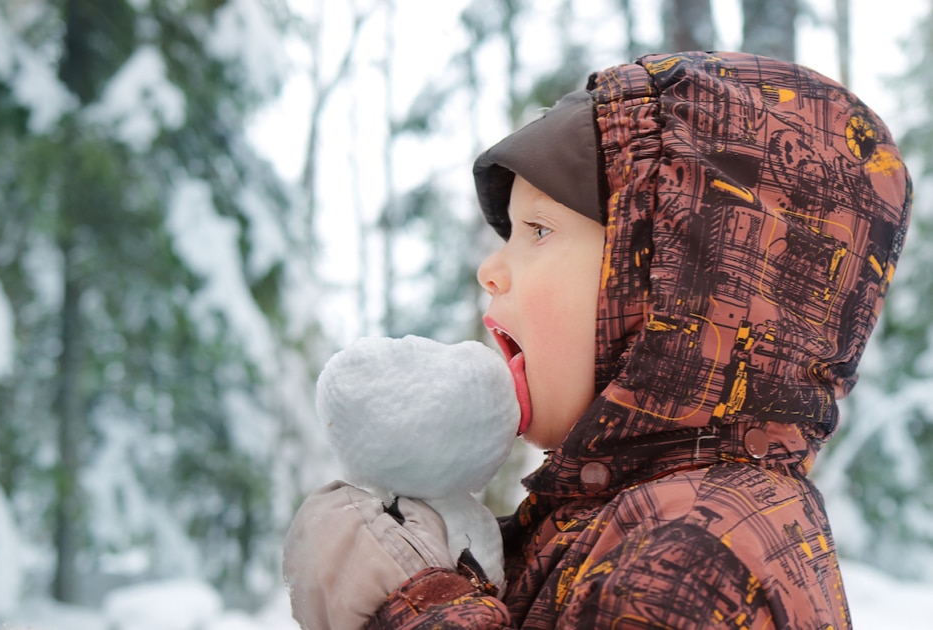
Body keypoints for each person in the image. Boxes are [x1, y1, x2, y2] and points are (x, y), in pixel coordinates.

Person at [284, 51, 912, 629]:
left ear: (675, 279)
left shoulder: (689, 559)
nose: (490, 271)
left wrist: (412, 606)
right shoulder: (631, 517)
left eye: (537, 230)